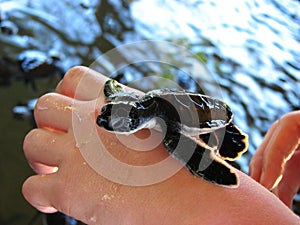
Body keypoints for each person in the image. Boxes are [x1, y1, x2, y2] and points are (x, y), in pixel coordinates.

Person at [22, 66, 299, 225]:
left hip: (213, 117)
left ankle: (228, 136)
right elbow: (115, 94)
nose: (107, 124)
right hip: (181, 105)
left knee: (195, 147)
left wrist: (219, 207)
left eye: (117, 124)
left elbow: (189, 153)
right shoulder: (145, 108)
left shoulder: (166, 127)